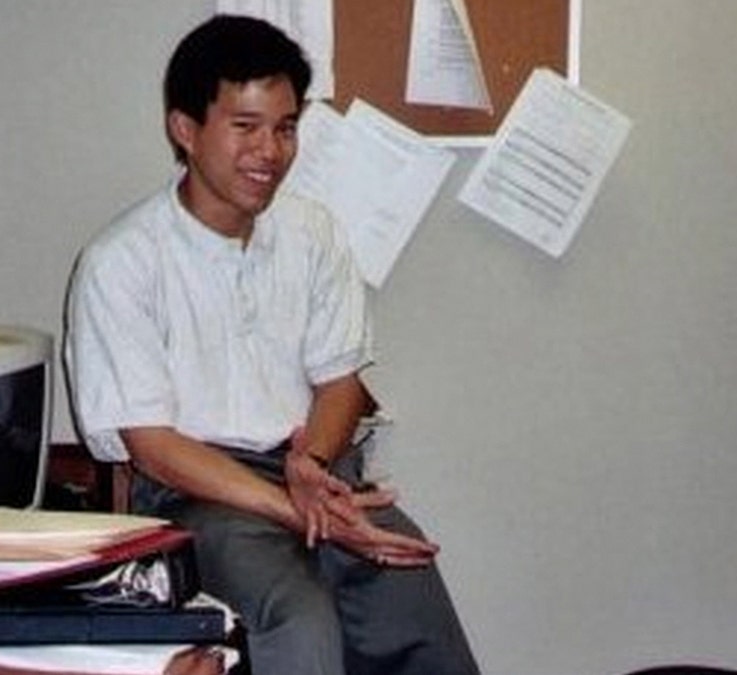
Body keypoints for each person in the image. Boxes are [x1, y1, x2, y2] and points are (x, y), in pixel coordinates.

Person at [66, 15, 479, 675]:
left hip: (307, 468)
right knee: (298, 614)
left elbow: (341, 380)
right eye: (246, 127)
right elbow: (151, 445)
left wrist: (311, 469)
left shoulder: (312, 232)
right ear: (186, 129)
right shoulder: (121, 261)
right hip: (194, 494)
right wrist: (296, 508)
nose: (270, 151)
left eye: (285, 128)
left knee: (408, 585)